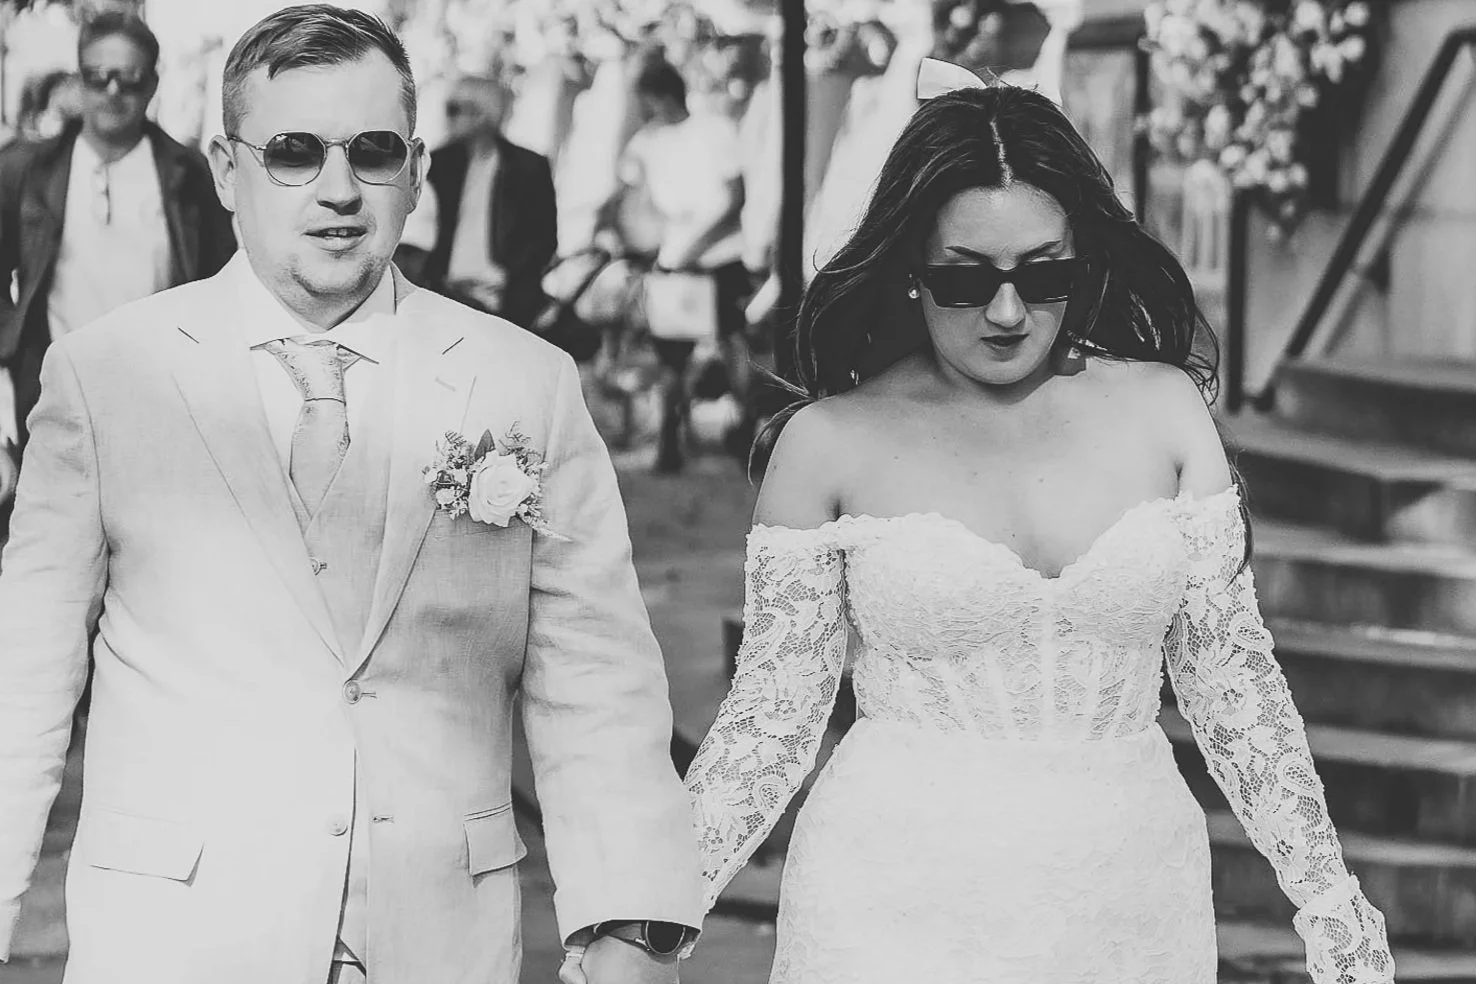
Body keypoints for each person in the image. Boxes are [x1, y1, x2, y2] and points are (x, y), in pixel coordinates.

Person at [0, 7, 702, 984]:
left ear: (416, 170)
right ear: (223, 169)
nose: (338, 190)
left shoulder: (523, 383)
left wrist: (628, 922)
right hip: (177, 936)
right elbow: (21, 682)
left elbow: (597, 681)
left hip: (436, 940)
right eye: (292, 153)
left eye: (371, 152)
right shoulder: (106, 378)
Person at [682, 58, 1395, 984]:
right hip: (887, 904)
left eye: (1044, 274)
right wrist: (650, 911)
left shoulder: (1165, 411)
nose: (1010, 312)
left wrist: (1332, 904)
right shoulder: (827, 445)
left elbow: (1236, 692)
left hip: (1131, 902)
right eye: (965, 280)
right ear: (908, 270)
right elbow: (768, 731)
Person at [0, 13, 236, 452]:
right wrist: (9, 349)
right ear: (78, 80)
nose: (112, 91)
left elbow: (222, 281)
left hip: (161, 394)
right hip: (52, 393)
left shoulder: (189, 173)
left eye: (129, 78)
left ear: (151, 84)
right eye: (98, 76)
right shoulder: (28, 171)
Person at [602, 56, 751, 473]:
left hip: (719, 254)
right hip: (671, 258)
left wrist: (697, 242)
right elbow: (628, 194)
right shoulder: (647, 141)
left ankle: (745, 429)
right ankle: (670, 438)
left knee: (731, 342)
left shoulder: (715, 130)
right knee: (671, 353)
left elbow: (735, 195)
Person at [420, 72, 558, 329]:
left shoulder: (528, 167)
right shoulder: (437, 164)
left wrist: (511, 276)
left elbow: (544, 236)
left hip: (505, 298)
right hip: (445, 293)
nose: (448, 117)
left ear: (482, 113)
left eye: (455, 109)